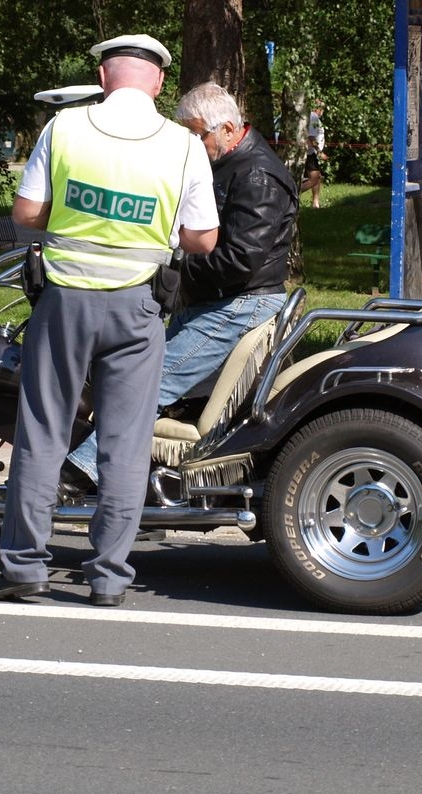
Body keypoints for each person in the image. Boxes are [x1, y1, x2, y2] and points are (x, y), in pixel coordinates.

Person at [0, 33, 218, 606]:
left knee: (41, 433)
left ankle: (25, 570)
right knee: (125, 444)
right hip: (139, 308)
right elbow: (204, 238)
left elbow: (28, 211)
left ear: (106, 77)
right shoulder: (183, 146)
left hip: (63, 303)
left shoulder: (63, 129)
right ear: (158, 83)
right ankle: (108, 578)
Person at [62, 81, 298, 493]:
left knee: (147, 382)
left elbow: (240, 260)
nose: (188, 142)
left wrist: (170, 267)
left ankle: (79, 474)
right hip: (217, 301)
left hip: (238, 305)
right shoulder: (226, 165)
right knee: (130, 372)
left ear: (226, 129)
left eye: (195, 134)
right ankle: (130, 474)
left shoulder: (256, 175)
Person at [299, 133, 326, 209]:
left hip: (310, 153)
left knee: (317, 177)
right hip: (308, 153)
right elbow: (311, 138)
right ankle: (291, 193)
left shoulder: (316, 121)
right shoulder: (313, 120)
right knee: (315, 179)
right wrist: (320, 152)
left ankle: (315, 204)